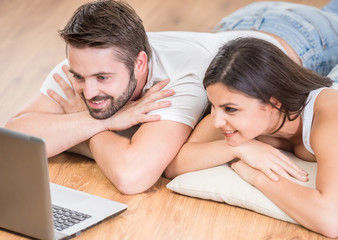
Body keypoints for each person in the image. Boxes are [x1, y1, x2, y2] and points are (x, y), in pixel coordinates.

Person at [5, 0, 338, 194]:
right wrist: (107, 119)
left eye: (103, 79)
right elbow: (15, 140)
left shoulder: (180, 79)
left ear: (140, 63)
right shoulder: (88, 61)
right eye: (79, 77)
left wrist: (85, 125)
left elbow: (132, 175)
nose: (89, 91)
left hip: (299, 36)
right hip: (231, 31)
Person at [165, 37, 338, 238]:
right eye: (213, 105)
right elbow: (174, 164)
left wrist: (257, 177)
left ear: (275, 104)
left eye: (230, 109)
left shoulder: (330, 118)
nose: (216, 121)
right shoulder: (236, 115)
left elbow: (331, 219)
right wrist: (237, 148)